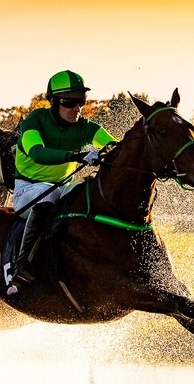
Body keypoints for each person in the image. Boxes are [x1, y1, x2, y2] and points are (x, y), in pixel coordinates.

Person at [9, 71, 117, 290]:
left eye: (80, 102)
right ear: (53, 102)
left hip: (63, 186)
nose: (77, 108)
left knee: (88, 191)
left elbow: (117, 147)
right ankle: (22, 264)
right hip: (27, 190)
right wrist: (76, 156)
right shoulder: (34, 121)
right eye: (69, 102)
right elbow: (37, 153)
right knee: (49, 195)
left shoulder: (85, 127)